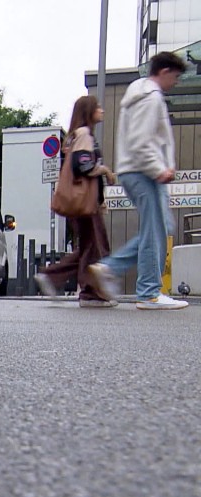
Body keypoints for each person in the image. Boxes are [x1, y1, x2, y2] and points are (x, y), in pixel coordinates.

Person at [90, 51, 189, 310]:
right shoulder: (151, 98)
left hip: (136, 170)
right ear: (164, 72)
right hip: (144, 172)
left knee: (162, 225)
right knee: (156, 228)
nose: (175, 83)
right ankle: (147, 291)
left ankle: (114, 270)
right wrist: (159, 169)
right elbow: (141, 141)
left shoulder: (138, 93)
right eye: (176, 77)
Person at [34, 96, 118, 307]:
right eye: (98, 107)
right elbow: (84, 166)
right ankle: (89, 294)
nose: (102, 110)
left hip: (82, 202)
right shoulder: (84, 135)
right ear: (88, 111)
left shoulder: (73, 136)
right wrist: (106, 171)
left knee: (89, 247)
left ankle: (53, 276)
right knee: (96, 248)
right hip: (85, 203)